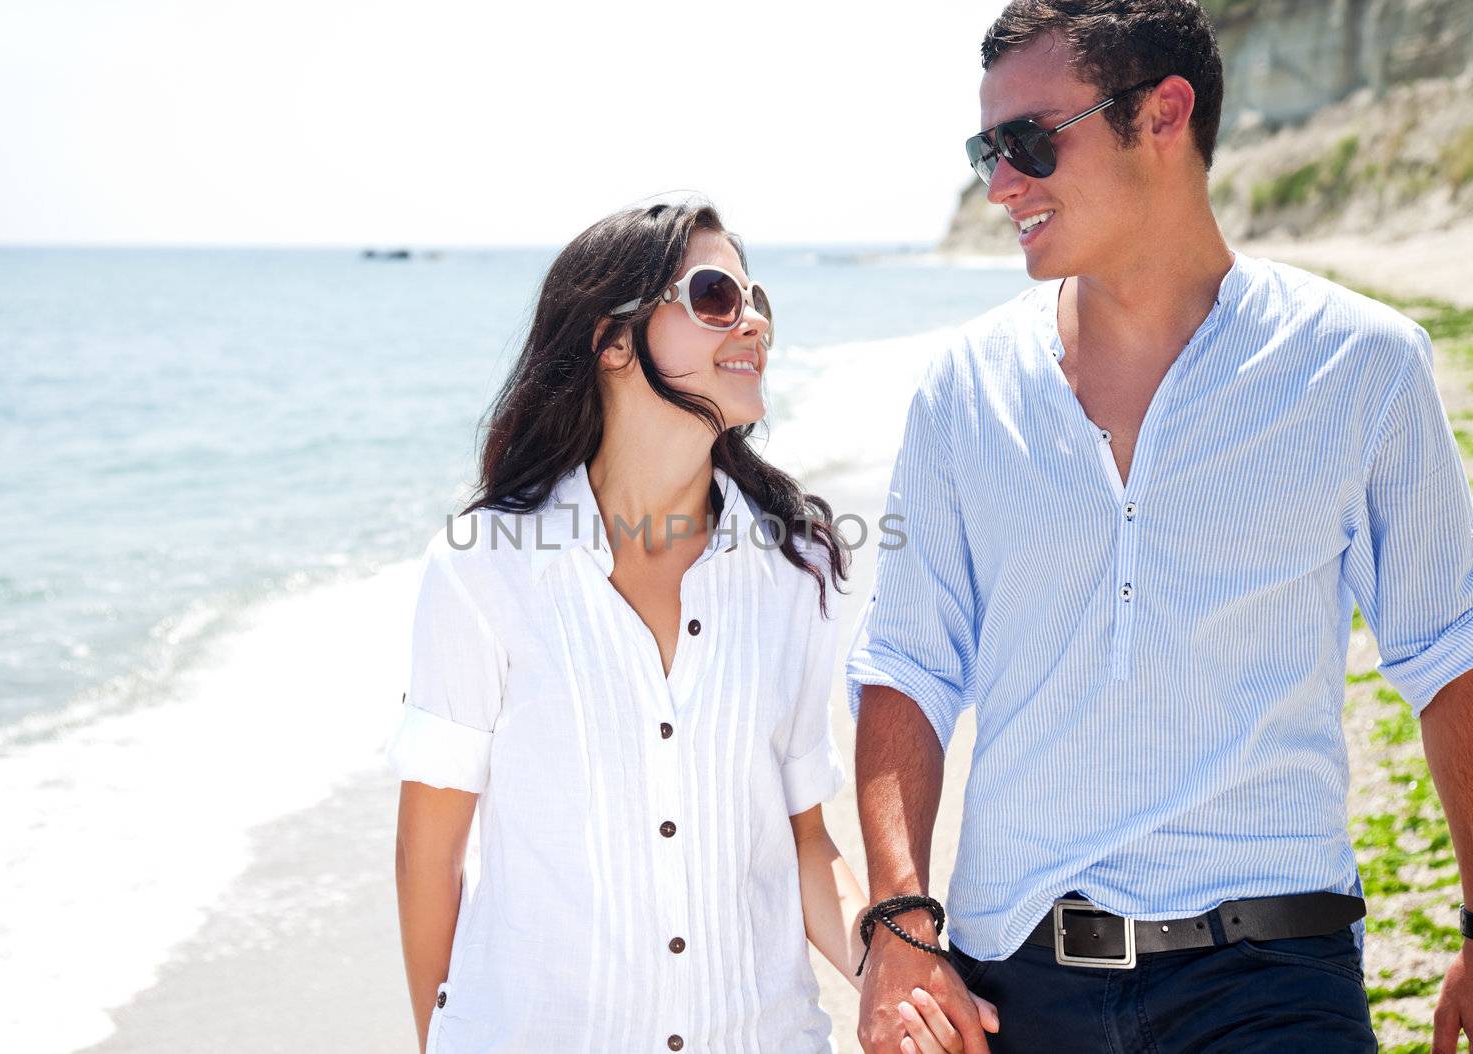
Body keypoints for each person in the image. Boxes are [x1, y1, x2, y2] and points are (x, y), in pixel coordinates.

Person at [848, 2, 1473, 1052]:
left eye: (1028, 140)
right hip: (1013, 984)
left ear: (1162, 113)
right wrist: (897, 922)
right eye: (985, 149)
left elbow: (1448, 654)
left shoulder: (1364, 365)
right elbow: (906, 661)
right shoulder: (965, 387)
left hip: (1273, 975)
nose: (1000, 183)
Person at [387, 201, 966, 1052]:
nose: (755, 320)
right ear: (613, 342)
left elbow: (803, 840)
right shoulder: (485, 566)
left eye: (755, 295)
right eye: (715, 296)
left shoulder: (795, 565)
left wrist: (894, 969)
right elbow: (429, 855)